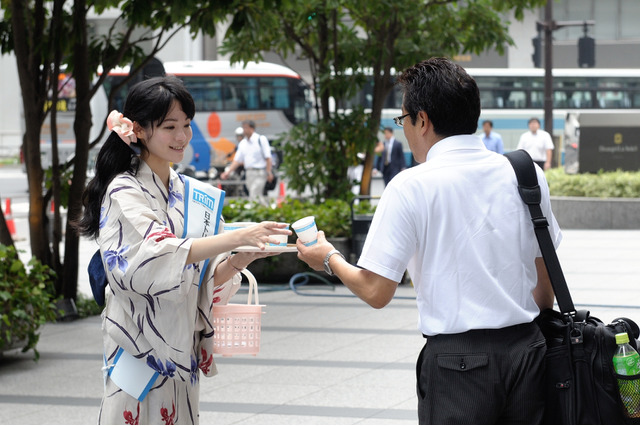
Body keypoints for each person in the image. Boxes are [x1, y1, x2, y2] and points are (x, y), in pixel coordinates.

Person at [296, 57, 561, 424]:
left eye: (403, 119)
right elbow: (543, 272)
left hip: (458, 364)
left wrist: (328, 258)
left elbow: (376, 291)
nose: (404, 129)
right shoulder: (525, 172)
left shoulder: (410, 186)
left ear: (422, 120)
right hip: (529, 350)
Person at [75, 76, 290, 424]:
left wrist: (241, 257)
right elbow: (159, 254)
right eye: (170, 126)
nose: (182, 136)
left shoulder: (188, 190)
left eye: (187, 125)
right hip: (137, 347)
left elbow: (200, 276)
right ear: (140, 130)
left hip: (181, 350)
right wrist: (237, 236)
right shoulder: (123, 190)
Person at [220, 120, 274, 205]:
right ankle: (266, 212)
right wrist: (228, 172)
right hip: (249, 173)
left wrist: (269, 172)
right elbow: (237, 161)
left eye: (245, 127)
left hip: (260, 172)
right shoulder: (243, 143)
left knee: (254, 194)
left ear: (251, 128)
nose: (244, 130)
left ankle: (255, 214)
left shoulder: (261, 139)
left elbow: (268, 157)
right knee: (256, 195)